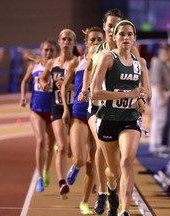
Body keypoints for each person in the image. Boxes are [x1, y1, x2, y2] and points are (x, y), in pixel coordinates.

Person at [90, 20, 151, 216]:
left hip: (129, 119)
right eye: (122, 34)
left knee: (126, 161)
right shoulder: (108, 58)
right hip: (108, 119)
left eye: (129, 34)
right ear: (114, 37)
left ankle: (125, 210)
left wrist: (141, 99)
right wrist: (125, 95)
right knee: (113, 171)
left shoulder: (139, 63)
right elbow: (95, 92)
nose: (125, 38)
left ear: (135, 38)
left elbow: (146, 91)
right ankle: (110, 187)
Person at [79, 8, 124, 215]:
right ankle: (103, 193)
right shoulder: (94, 51)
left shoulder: (128, 50)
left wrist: (140, 97)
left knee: (117, 158)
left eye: (117, 25)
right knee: (99, 144)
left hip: (120, 109)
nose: (112, 29)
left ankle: (114, 189)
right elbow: (88, 68)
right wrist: (84, 89)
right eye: (109, 25)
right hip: (97, 107)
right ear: (105, 26)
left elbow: (139, 72)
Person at [61, 26, 104, 215]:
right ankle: (74, 166)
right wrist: (65, 108)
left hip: (98, 115)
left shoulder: (107, 62)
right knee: (79, 159)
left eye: (99, 39)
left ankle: (84, 202)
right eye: (92, 39)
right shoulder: (77, 63)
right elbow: (64, 86)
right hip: (79, 114)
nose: (95, 43)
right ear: (86, 43)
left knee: (92, 162)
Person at [39, 29, 80, 198]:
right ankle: (62, 182)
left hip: (75, 108)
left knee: (72, 152)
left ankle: (72, 166)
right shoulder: (52, 63)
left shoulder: (79, 62)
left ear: (74, 43)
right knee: (62, 147)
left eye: (69, 39)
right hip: (57, 108)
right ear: (59, 41)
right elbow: (42, 78)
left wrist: (68, 86)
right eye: (63, 39)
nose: (66, 42)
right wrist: (44, 85)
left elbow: (84, 87)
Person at [20, 39, 58, 192]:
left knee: (50, 146)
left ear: (56, 52)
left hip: (54, 111)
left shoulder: (58, 67)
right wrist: (23, 96)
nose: (48, 53)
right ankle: (40, 178)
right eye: (46, 50)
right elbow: (24, 81)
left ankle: (46, 170)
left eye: (51, 50)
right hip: (37, 110)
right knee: (41, 141)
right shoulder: (34, 66)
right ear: (41, 51)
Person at [149, 47, 170, 154]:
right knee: (158, 120)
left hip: (161, 93)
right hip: (159, 93)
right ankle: (155, 144)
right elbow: (158, 83)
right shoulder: (158, 64)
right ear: (161, 54)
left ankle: (157, 143)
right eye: (166, 53)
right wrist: (163, 97)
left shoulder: (164, 64)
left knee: (160, 120)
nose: (167, 56)